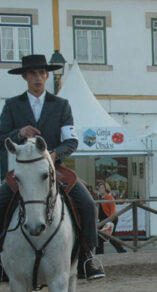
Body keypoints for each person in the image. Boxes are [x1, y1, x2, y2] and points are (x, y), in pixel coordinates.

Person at [0, 54, 105, 280]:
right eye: (32, 74)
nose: (37, 78)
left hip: (54, 167)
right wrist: (18, 133)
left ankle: (88, 255)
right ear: (25, 77)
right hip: (23, 169)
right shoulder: (12, 105)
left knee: (87, 204)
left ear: (47, 76)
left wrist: (56, 153)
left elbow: (71, 141)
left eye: (41, 73)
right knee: (0, 200)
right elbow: (1, 137)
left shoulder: (61, 106)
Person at [96, 181, 126, 254]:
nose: (100, 189)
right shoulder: (100, 197)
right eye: (99, 188)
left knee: (110, 237)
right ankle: (100, 252)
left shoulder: (109, 197)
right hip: (103, 219)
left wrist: (110, 220)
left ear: (106, 188)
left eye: (102, 187)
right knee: (100, 236)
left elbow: (113, 209)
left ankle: (122, 251)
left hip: (110, 219)